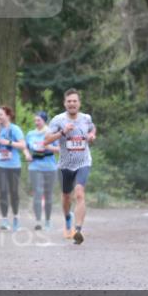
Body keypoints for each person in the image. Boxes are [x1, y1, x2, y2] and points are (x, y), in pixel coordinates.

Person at [45, 89, 97, 244]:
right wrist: (62, 132)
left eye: (75, 101)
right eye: (69, 101)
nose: (72, 104)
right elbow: (46, 140)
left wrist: (92, 136)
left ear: (79, 103)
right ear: (65, 103)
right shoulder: (58, 120)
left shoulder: (86, 118)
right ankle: (68, 218)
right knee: (66, 197)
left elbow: (92, 129)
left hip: (83, 162)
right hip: (65, 165)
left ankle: (78, 230)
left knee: (79, 193)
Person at [0, 106, 29, 232]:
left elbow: (23, 145)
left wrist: (8, 142)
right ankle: (4, 220)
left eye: (1, 114)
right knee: (2, 191)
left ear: (8, 116)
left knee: (14, 192)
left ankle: (16, 218)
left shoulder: (15, 129)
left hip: (14, 165)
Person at [26, 111, 59, 231]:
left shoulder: (51, 133)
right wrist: (27, 154)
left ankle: (48, 221)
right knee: (37, 193)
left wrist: (47, 146)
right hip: (35, 166)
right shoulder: (30, 134)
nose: (36, 122)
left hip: (50, 167)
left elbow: (59, 149)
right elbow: (26, 147)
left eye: (38, 120)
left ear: (44, 120)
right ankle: (38, 221)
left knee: (48, 194)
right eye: (35, 120)